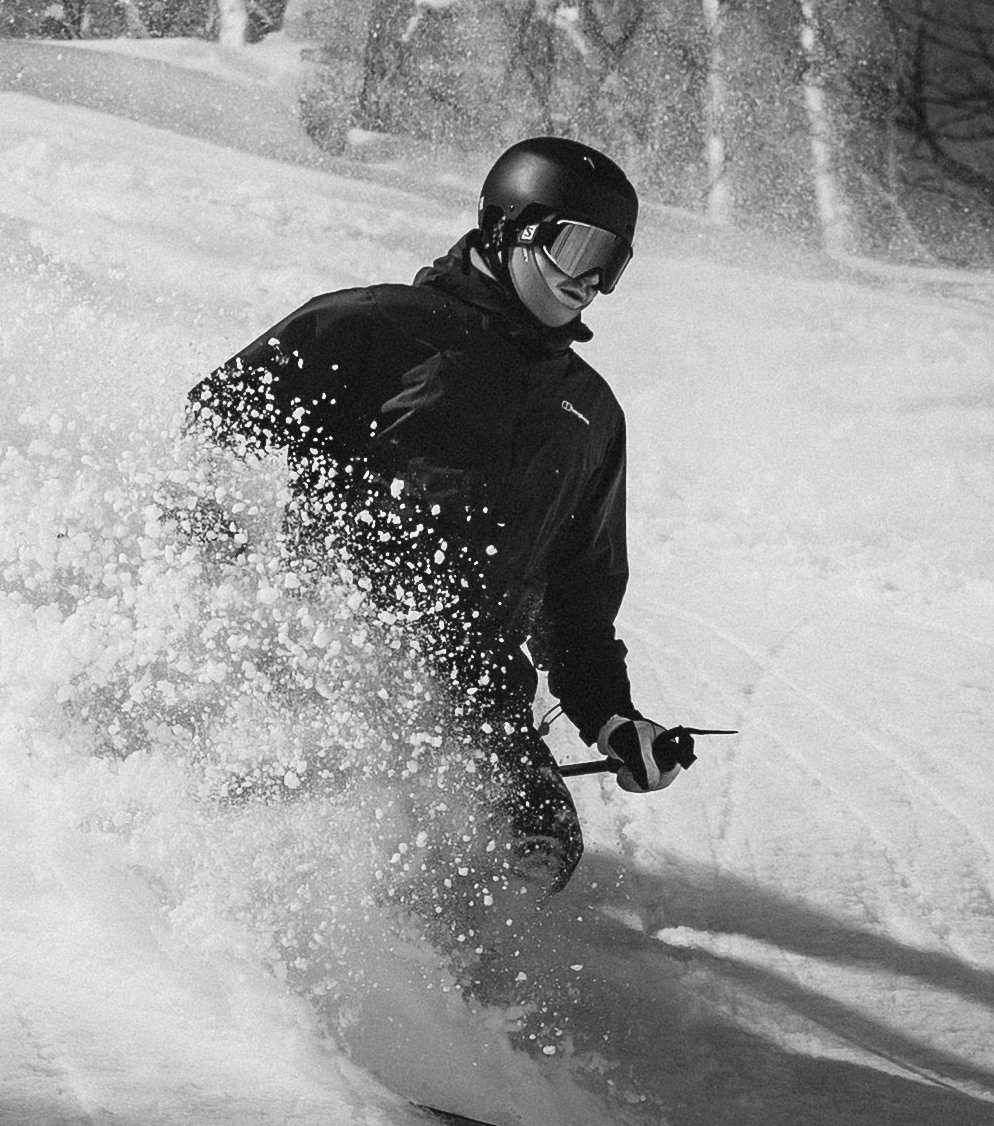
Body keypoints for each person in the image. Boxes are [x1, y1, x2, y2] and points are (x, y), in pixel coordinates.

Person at [182, 137, 695, 886]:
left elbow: (578, 606)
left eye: (609, 262)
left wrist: (615, 721)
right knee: (295, 815)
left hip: (474, 698)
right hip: (326, 657)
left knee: (541, 843)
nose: (589, 282)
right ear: (510, 226)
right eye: (576, 246)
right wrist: (214, 569)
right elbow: (216, 433)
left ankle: (456, 996)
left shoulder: (589, 414)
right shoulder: (377, 328)